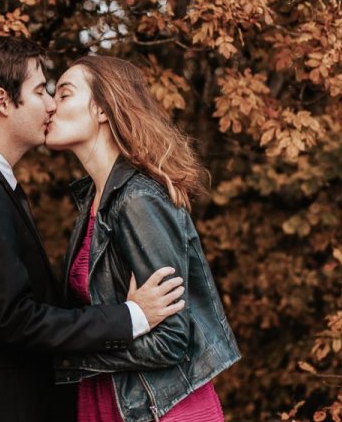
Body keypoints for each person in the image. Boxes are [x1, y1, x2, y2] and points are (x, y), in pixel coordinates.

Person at [0, 36, 187, 422]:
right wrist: (131, 316)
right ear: (2, 102)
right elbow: (16, 321)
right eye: (39, 91)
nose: (49, 104)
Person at [46, 55, 241, 422]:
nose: (51, 106)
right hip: (112, 399)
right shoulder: (93, 201)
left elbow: (172, 340)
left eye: (65, 93)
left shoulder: (138, 200)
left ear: (103, 109)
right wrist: (127, 317)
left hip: (161, 409)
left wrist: (68, 357)